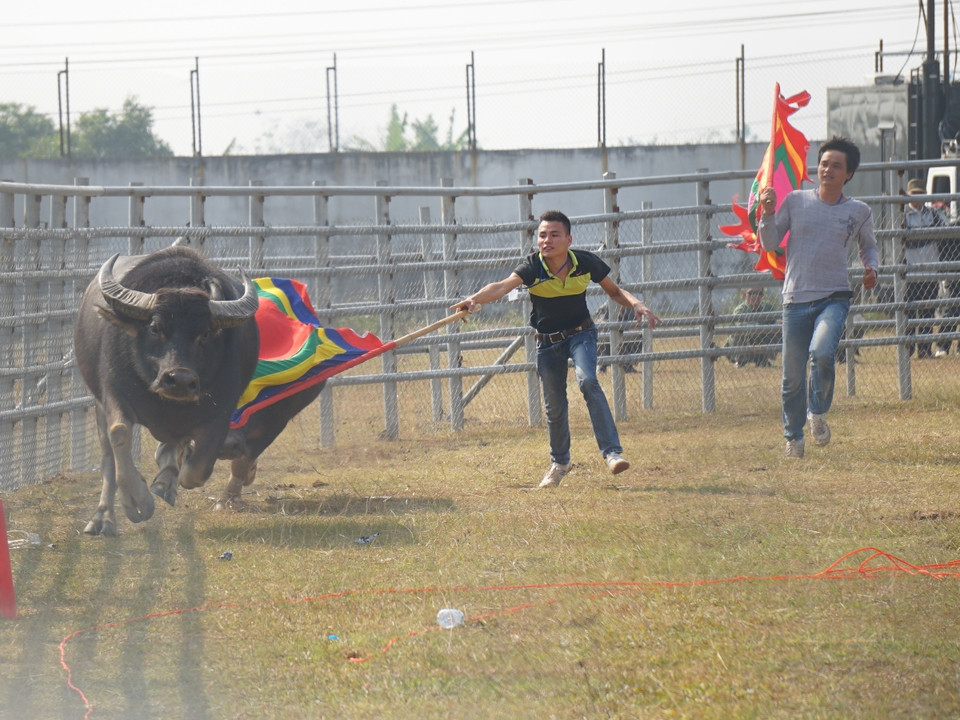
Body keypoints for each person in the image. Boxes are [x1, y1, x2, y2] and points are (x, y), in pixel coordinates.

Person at [450, 210, 661, 487]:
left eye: (554, 235)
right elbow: (501, 287)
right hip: (547, 342)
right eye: (542, 235)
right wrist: (473, 300)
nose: (546, 241)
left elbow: (614, 291)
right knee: (555, 407)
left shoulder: (585, 263)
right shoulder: (532, 267)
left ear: (568, 239)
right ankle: (560, 463)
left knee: (588, 380)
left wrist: (636, 303)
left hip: (580, 334)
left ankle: (611, 453)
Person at [758, 136, 879, 459]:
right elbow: (770, 243)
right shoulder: (796, 201)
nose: (828, 170)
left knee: (822, 353)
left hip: (834, 296)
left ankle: (818, 411)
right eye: (824, 163)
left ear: (848, 174)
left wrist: (872, 268)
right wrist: (767, 213)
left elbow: (868, 245)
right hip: (796, 298)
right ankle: (793, 439)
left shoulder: (859, 211)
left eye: (836, 166)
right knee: (792, 376)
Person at [902, 177, 946, 358]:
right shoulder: (902, 215)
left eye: (921, 194)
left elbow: (944, 232)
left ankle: (925, 350)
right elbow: (905, 241)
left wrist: (918, 237)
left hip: (930, 270)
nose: (918, 197)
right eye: (915, 194)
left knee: (928, 313)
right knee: (910, 313)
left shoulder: (933, 214)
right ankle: (908, 349)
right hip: (910, 272)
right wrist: (929, 235)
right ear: (907, 195)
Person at [725, 287, 781, 367]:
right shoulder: (740, 309)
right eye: (751, 293)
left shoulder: (768, 307)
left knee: (779, 329)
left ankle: (763, 359)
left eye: (759, 293)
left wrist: (777, 322)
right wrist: (762, 327)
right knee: (737, 332)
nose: (755, 296)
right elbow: (740, 325)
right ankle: (740, 360)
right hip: (746, 340)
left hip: (761, 340)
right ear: (745, 295)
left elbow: (776, 319)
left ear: (762, 296)